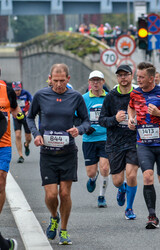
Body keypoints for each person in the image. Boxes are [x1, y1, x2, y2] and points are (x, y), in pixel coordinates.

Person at [27, 63, 90, 245]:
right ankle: (53, 216)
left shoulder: (76, 97)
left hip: (68, 152)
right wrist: (37, 135)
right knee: (51, 195)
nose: (59, 84)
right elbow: (30, 117)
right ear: (50, 79)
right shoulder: (41, 95)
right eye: (55, 80)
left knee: (64, 194)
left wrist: (79, 129)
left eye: (62, 81)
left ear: (68, 79)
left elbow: (86, 121)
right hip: (47, 153)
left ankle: (63, 229)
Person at [128, 62, 160, 229]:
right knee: (148, 176)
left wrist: (158, 113)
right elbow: (131, 108)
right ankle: (152, 216)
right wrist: (131, 119)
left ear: (151, 78)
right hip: (143, 144)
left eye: (141, 77)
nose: (138, 80)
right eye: (137, 77)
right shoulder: (135, 93)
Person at [99, 65, 139, 220]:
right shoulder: (110, 96)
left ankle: (129, 208)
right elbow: (102, 120)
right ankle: (121, 189)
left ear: (131, 76)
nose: (123, 78)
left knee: (131, 174)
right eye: (120, 75)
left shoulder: (137, 95)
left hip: (133, 141)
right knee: (117, 181)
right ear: (117, 78)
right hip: (115, 142)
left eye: (126, 74)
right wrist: (114, 119)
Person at [82, 70, 110, 208]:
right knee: (91, 172)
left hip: (105, 138)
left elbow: (114, 116)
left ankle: (101, 196)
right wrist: (85, 127)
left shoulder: (109, 98)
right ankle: (93, 178)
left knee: (105, 168)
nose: (95, 83)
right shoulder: (84, 98)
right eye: (93, 80)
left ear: (103, 82)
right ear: (89, 82)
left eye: (98, 80)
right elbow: (77, 117)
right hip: (89, 140)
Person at [0, 73, 21, 249]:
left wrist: (24, 121)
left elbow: (15, 109)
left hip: (3, 145)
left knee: (1, 181)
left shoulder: (7, 91)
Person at [12, 81, 33, 163]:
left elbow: (33, 102)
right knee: (17, 135)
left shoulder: (26, 93)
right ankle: (21, 156)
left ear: (21, 89)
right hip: (16, 117)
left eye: (18, 90)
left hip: (26, 117)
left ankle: (26, 145)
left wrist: (29, 111)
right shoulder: (11, 95)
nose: (17, 92)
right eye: (15, 90)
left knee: (28, 137)